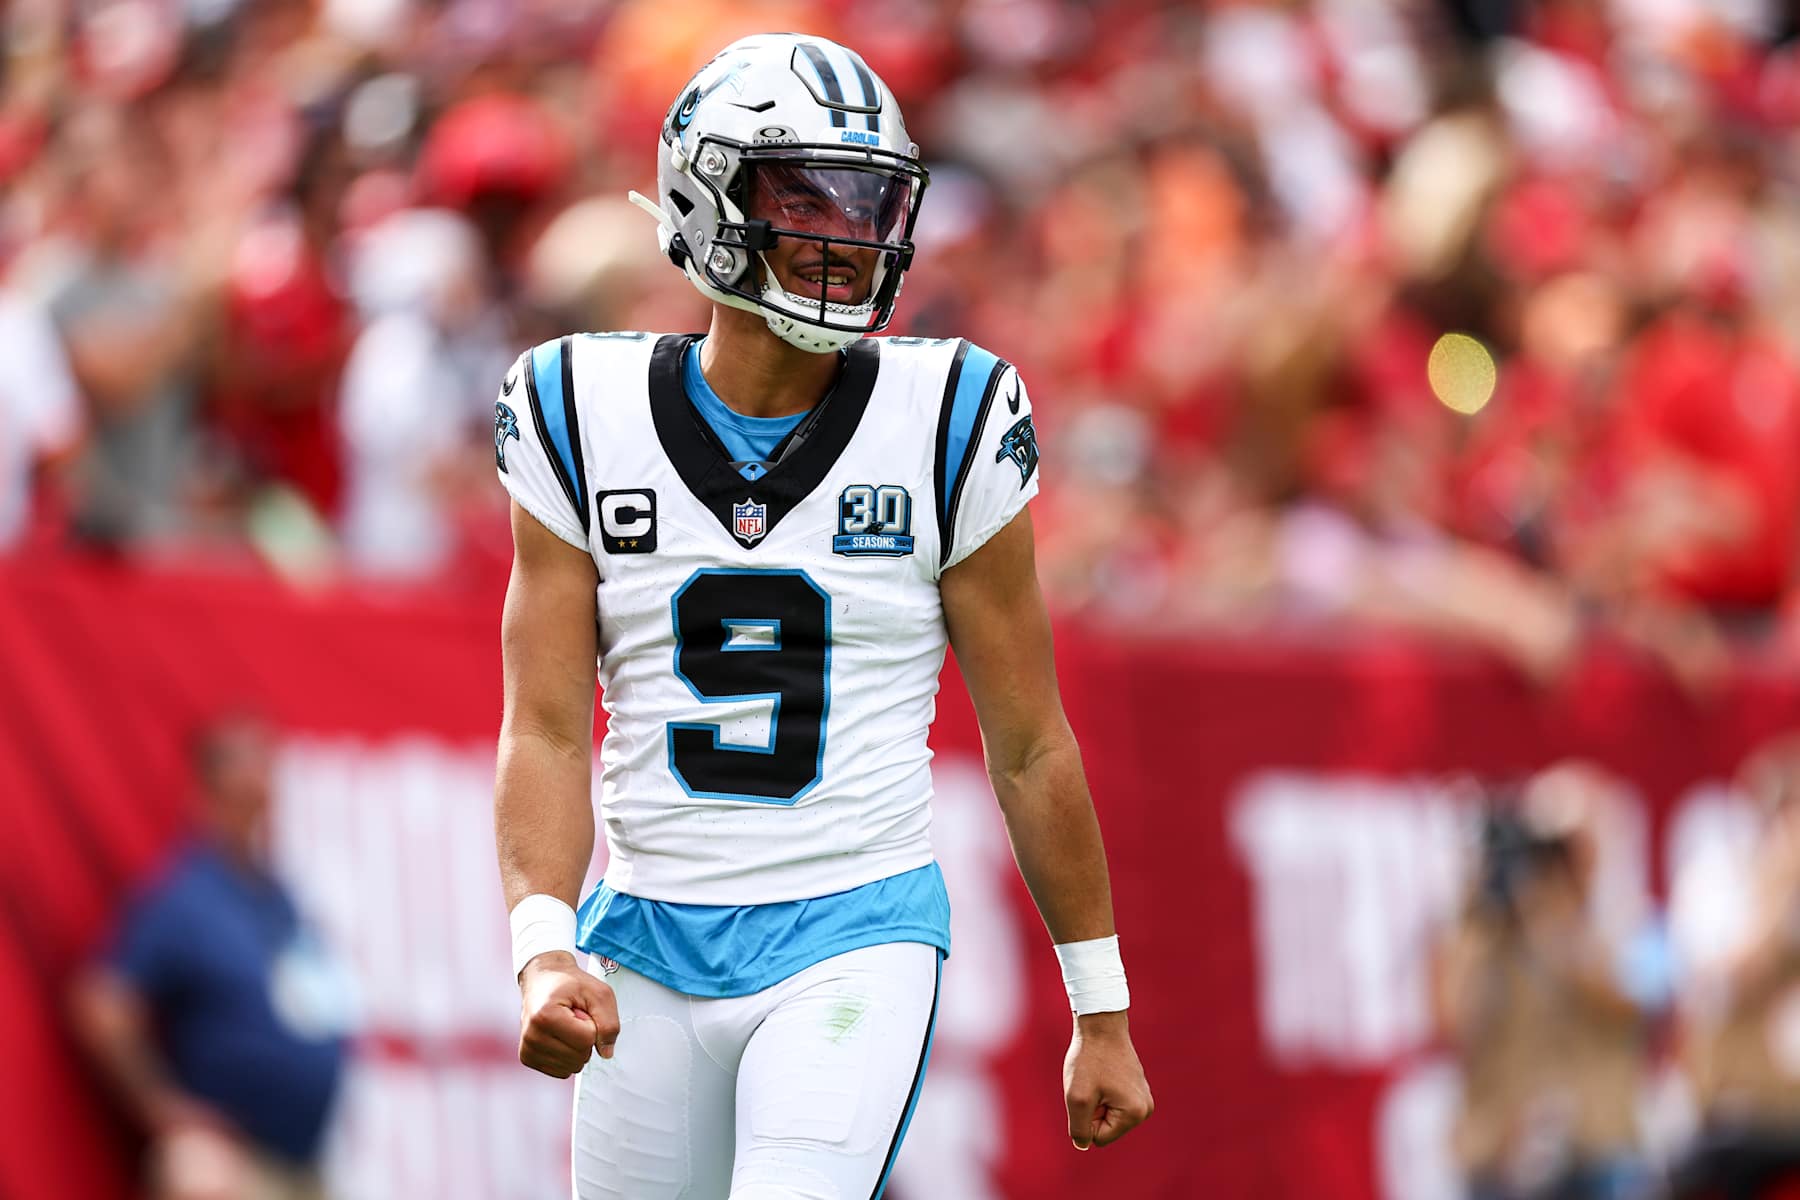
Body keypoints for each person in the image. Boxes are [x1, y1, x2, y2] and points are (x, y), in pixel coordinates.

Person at [492, 33, 1153, 1199]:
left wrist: (1099, 1006)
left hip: (852, 932)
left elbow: (1032, 741)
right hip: (643, 936)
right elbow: (543, 726)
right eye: (807, 198)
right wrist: (542, 943)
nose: (848, 236)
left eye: (869, 203)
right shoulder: (573, 406)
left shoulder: (950, 411)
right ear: (706, 195)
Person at [69, 716, 352, 1200]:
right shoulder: (186, 899)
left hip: (300, 1160)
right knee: (192, 1168)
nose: (261, 777)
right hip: (234, 1160)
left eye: (265, 762)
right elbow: (101, 1004)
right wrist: (166, 1109)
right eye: (246, 763)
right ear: (210, 783)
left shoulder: (275, 896)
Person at [1433, 765, 1657, 1200]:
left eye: (1568, 844)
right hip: (1499, 1157)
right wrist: (1482, 914)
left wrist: (1553, 924)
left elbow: (1631, 1003)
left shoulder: (1627, 921)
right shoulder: (1487, 930)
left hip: (1598, 1156)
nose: (1556, 861)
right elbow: (1452, 1020)